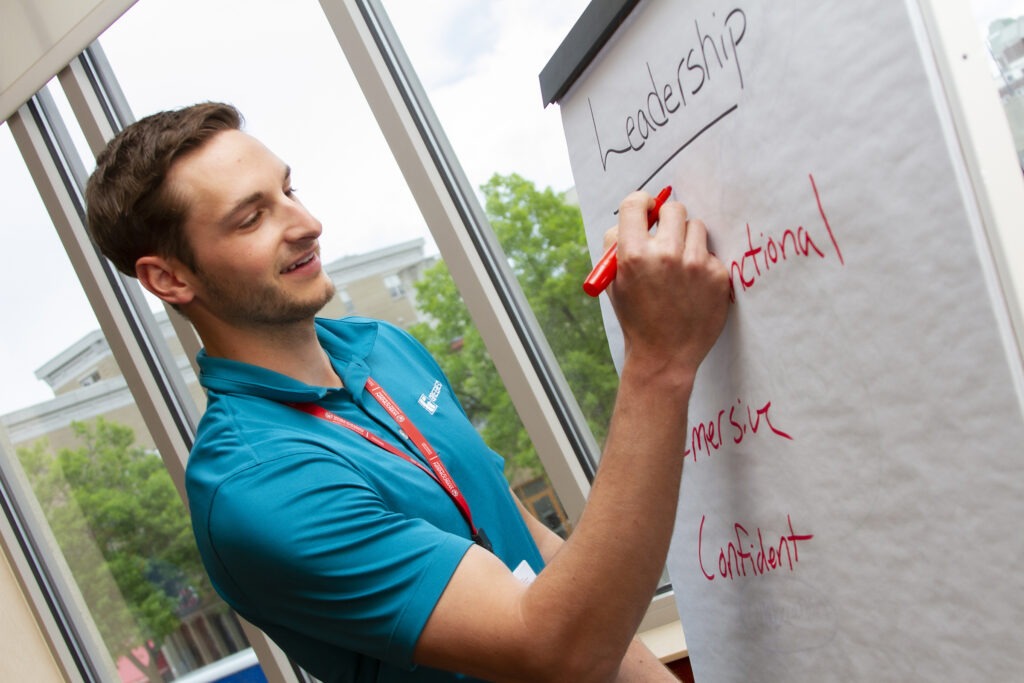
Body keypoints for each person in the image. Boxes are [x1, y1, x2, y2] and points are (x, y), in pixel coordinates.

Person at [85, 102, 730, 682]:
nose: (307, 223)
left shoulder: (381, 348)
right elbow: (554, 649)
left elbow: (526, 541)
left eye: (289, 191)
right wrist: (658, 361)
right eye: (252, 218)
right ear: (167, 278)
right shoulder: (256, 488)